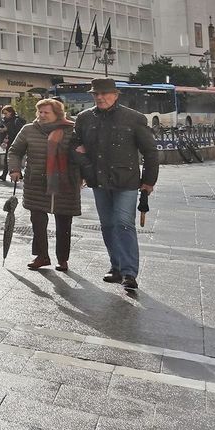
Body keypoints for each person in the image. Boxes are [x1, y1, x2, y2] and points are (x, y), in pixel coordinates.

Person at [73, 78, 158, 291]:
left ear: (115, 95)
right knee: (108, 225)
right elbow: (74, 146)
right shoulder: (84, 118)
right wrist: (85, 166)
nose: (100, 97)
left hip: (126, 180)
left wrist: (148, 181)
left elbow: (150, 151)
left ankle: (129, 272)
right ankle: (116, 267)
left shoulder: (133, 118)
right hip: (98, 180)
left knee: (123, 223)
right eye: (96, 94)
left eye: (105, 94)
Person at [9, 99, 83, 272]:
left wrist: (83, 175)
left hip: (65, 183)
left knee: (64, 223)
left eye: (46, 112)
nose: (41, 115)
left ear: (57, 114)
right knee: (38, 222)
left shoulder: (72, 130)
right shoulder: (28, 129)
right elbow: (15, 151)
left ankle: (63, 259)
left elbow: (83, 154)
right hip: (36, 183)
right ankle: (41, 256)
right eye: (40, 112)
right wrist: (14, 169)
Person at [0, 105, 25, 181]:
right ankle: (7, 175)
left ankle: (15, 174)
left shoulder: (17, 120)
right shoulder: (4, 121)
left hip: (16, 142)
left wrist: (7, 129)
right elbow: (3, 130)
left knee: (14, 158)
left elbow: (19, 132)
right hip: (9, 142)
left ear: (11, 113)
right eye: (3, 113)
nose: (4, 115)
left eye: (6, 113)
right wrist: (1, 130)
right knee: (7, 158)